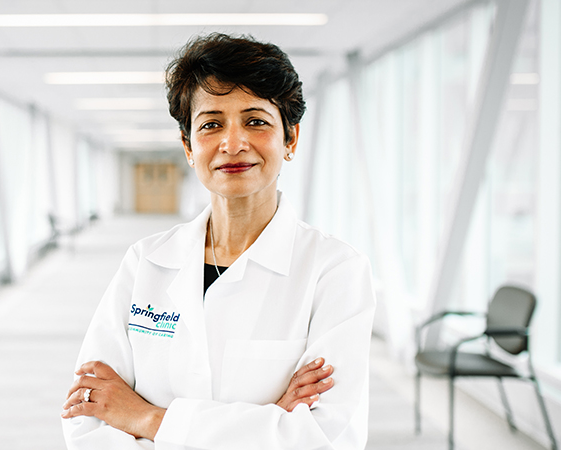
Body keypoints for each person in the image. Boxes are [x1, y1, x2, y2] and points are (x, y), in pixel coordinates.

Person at [61, 33, 376, 450]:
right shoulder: (145, 263)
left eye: (256, 121)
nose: (232, 143)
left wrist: (146, 417)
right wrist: (268, 422)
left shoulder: (335, 271)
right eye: (211, 124)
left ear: (291, 139)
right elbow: (89, 413)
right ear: (189, 146)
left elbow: (321, 437)